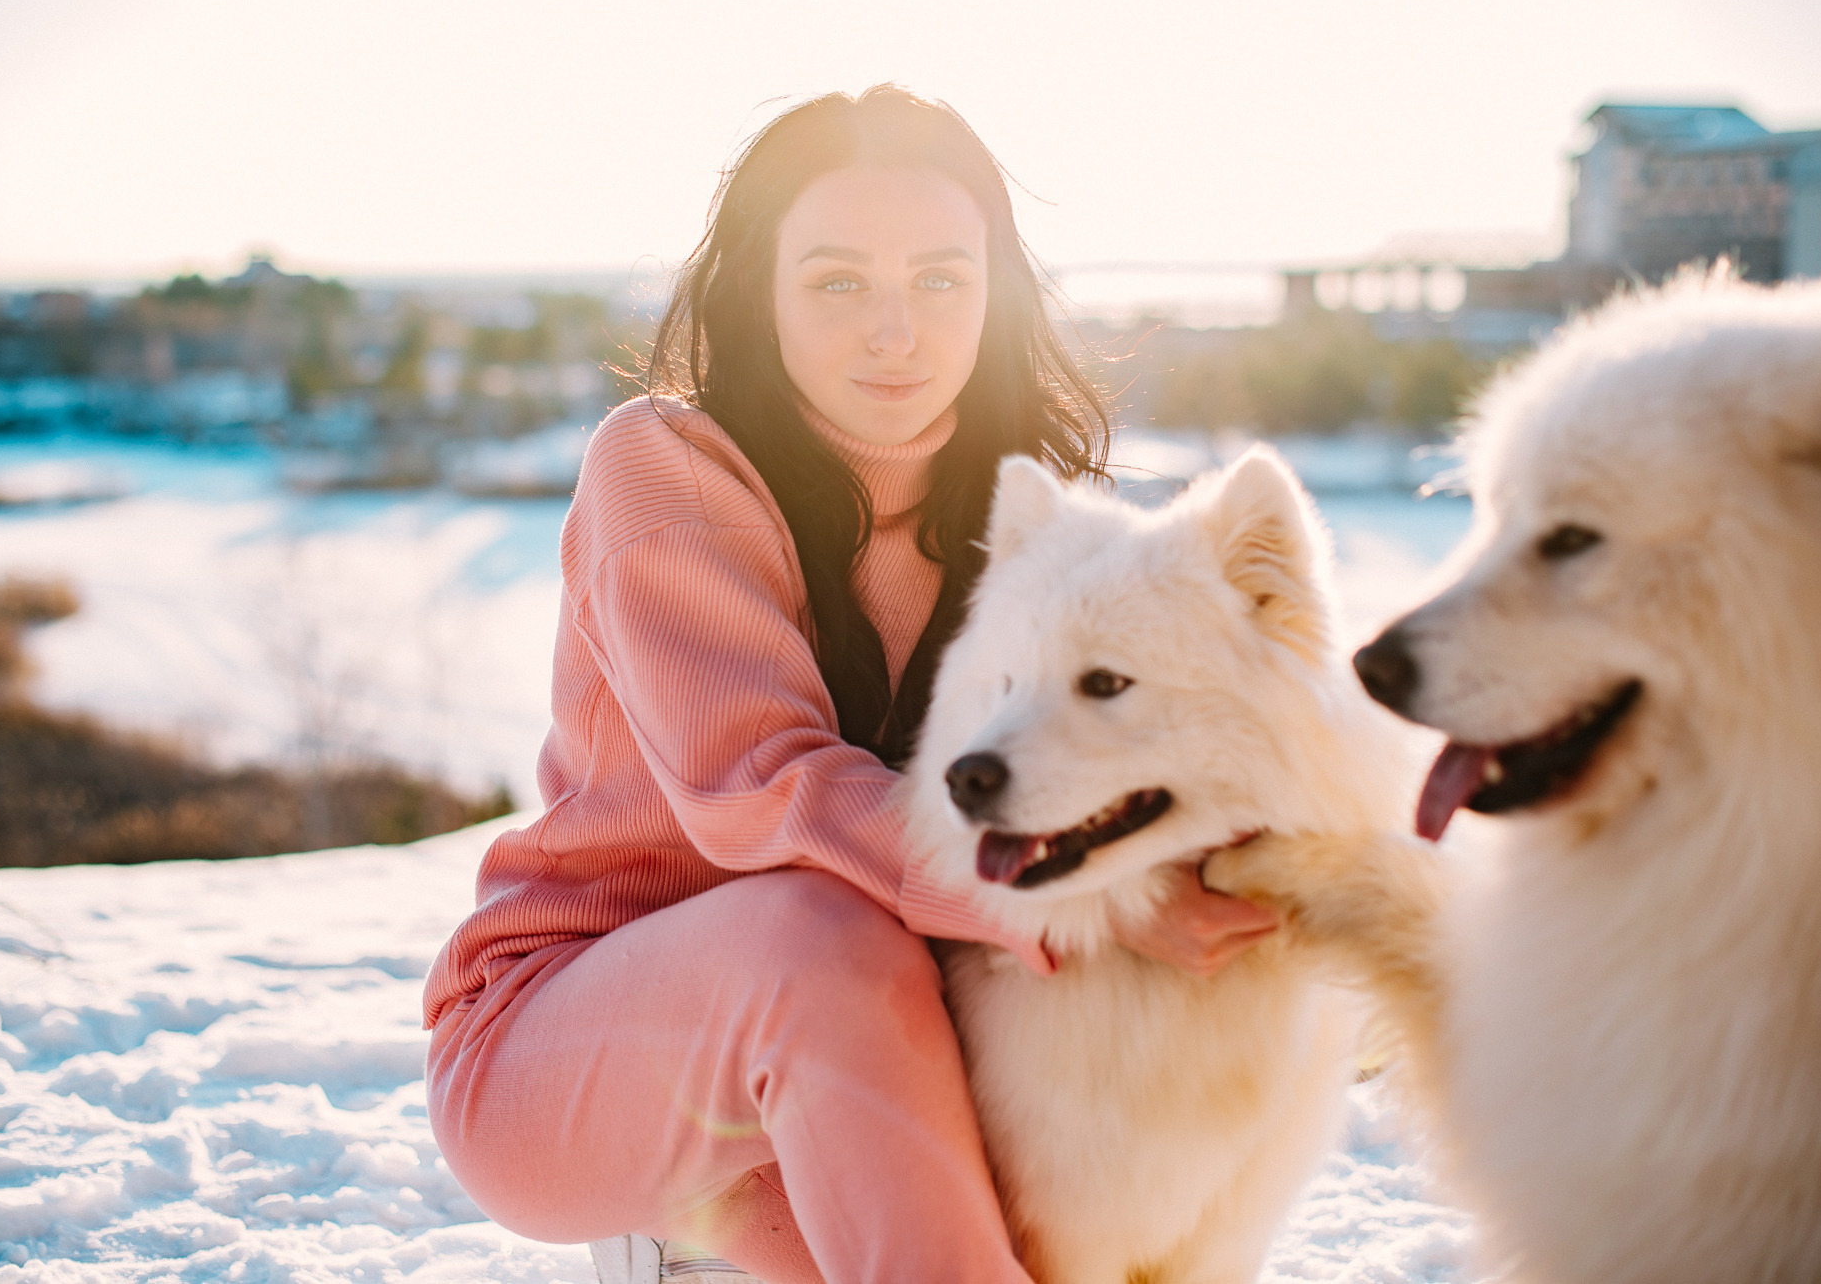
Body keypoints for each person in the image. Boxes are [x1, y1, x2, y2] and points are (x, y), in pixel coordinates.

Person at [424, 85, 1281, 1284]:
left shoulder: (1025, 519)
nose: (896, 330)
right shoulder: (664, 467)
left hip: (850, 1072)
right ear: (759, 294)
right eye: (837, 283)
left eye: (939, 279)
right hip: (567, 1053)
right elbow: (759, 790)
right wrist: (1099, 893)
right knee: (814, 930)